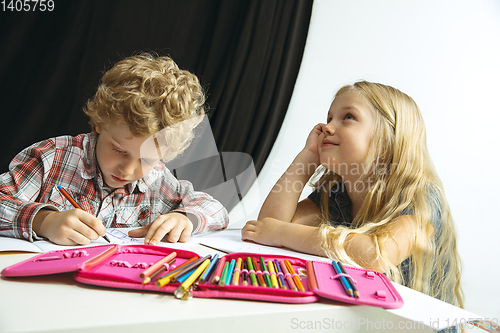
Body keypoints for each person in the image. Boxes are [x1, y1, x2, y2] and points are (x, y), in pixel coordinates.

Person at [242, 81, 464, 312]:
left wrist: (280, 233)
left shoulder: (418, 198)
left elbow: (375, 255)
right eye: (329, 118)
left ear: (389, 137)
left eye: (347, 117)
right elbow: (267, 226)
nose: (327, 127)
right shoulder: (336, 191)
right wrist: (308, 156)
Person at [0, 53, 229, 246]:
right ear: (100, 122)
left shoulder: (157, 180)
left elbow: (216, 209)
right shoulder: (52, 158)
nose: (128, 170)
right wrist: (43, 221)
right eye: (119, 150)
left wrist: (185, 218)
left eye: (147, 160)